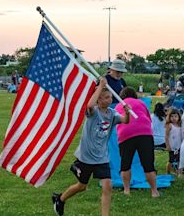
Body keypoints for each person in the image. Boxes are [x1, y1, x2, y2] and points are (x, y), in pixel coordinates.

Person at [52, 77, 130, 216]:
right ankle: (60, 199)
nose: (109, 99)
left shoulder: (112, 114)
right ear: (99, 100)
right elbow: (89, 105)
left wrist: (127, 112)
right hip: (86, 157)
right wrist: (100, 86)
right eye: (106, 98)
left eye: (110, 97)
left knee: (107, 186)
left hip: (102, 158)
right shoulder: (93, 112)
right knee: (81, 186)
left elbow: (125, 121)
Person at [115, 87, 159, 197]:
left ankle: (126, 190)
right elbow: (148, 118)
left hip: (125, 134)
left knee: (125, 164)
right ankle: (154, 191)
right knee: (148, 164)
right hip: (144, 132)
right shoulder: (141, 103)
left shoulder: (118, 105)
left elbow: (116, 121)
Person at [165, 108, 184, 177]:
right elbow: (166, 136)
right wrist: (168, 145)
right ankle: (168, 172)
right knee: (171, 160)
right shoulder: (170, 126)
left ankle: (179, 173)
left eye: (175, 116)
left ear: (179, 117)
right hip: (172, 146)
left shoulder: (180, 126)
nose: (174, 118)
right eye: (172, 116)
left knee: (179, 160)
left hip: (178, 146)